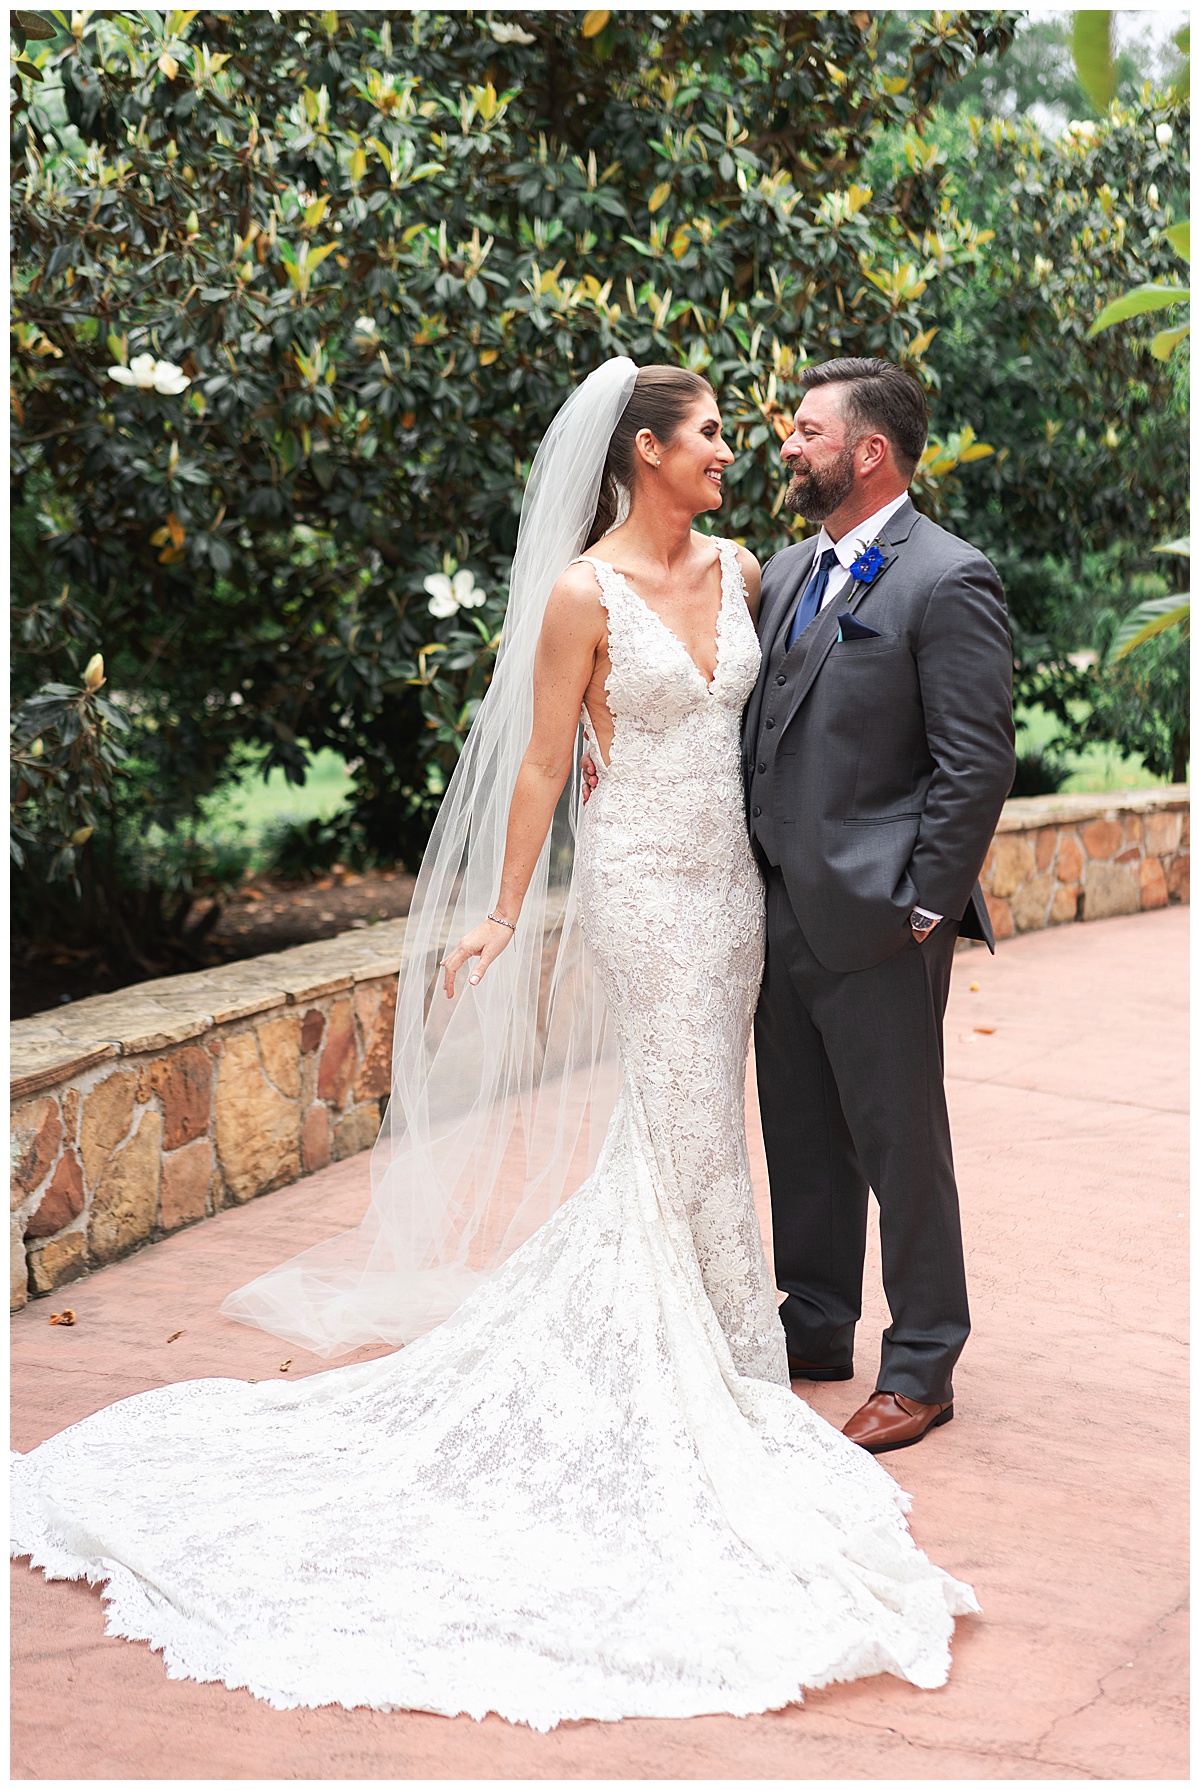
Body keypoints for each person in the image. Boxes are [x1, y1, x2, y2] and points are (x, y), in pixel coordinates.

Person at [11, 360, 977, 1728]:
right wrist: (501, 911)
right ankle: (711, 1364)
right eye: (710, 432)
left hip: (742, 898)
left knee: (710, 1120)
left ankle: (726, 1341)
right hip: (646, 892)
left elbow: (787, 728)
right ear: (644, 450)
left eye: (757, 431)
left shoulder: (752, 567)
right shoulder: (582, 594)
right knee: (689, 1117)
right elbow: (538, 761)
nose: (735, 451)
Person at [745, 358, 1015, 1454]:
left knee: (901, 1140)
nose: (787, 447)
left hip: (881, 915)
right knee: (801, 1132)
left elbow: (976, 763)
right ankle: (814, 1327)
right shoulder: (780, 568)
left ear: (868, 451)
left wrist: (922, 907)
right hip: (774, 905)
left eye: (807, 431)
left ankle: (923, 1366)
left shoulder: (947, 578)